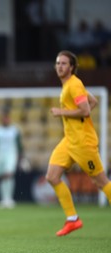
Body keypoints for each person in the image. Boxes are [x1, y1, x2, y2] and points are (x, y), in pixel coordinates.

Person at [46, 50, 111, 236]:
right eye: (58, 63)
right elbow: (93, 101)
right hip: (69, 141)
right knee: (52, 176)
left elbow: (85, 111)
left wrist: (61, 112)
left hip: (83, 143)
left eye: (64, 63)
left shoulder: (73, 85)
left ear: (72, 67)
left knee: (100, 182)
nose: (60, 66)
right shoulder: (70, 85)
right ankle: (73, 219)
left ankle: (73, 219)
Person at [0, 110, 23, 209]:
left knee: (9, 173)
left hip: (11, 154)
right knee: (2, 176)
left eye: (7, 118)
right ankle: (4, 199)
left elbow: (19, 144)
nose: (6, 120)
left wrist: (20, 156)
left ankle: (9, 198)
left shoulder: (14, 130)